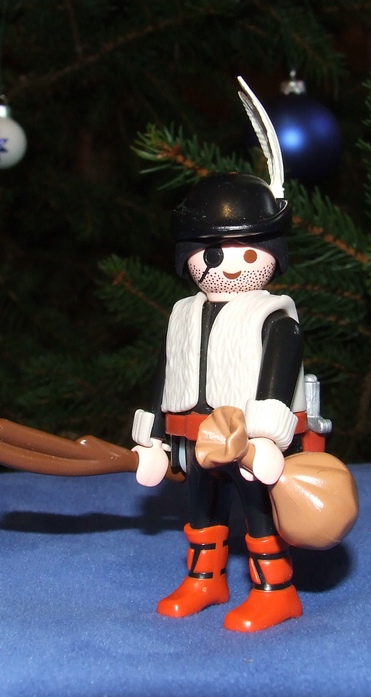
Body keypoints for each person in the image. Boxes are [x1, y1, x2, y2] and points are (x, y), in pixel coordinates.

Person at [130, 171, 309, 632]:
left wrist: (267, 437)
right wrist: (153, 439)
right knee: (201, 511)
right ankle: (205, 579)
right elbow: (166, 374)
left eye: (248, 253)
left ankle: (277, 591)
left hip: (248, 441)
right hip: (194, 440)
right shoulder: (183, 315)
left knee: (259, 512)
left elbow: (277, 378)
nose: (229, 267)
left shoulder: (275, 318)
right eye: (213, 254)